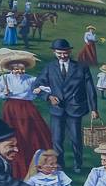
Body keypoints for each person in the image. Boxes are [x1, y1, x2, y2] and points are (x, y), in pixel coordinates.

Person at [37, 38, 100, 172]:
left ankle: (78, 164)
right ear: (54, 52)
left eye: (65, 53)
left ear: (70, 51)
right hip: (57, 110)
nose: (63, 56)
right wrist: (48, 97)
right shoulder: (49, 68)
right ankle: (60, 165)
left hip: (75, 109)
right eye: (59, 53)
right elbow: (37, 86)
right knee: (57, 140)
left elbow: (90, 89)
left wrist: (94, 108)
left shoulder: (81, 67)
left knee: (76, 139)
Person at [0, 54, 52, 178]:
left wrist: (38, 90)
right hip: (11, 109)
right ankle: (13, 162)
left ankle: (34, 159)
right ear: (11, 69)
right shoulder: (4, 78)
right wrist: (5, 94)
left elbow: (46, 87)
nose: (18, 71)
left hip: (27, 108)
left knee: (30, 133)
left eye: (21, 68)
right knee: (13, 133)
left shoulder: (30, 79)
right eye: (15, 69)